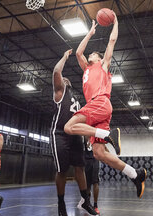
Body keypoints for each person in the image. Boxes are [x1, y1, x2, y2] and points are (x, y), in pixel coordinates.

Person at [64, 15, 146, 198]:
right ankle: (136, 174)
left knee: (68, 127)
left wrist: (115, 22)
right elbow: (78, 53)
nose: (91, 54)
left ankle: (108, 135)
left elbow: (112, 41)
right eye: (91, 54)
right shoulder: (86, 68)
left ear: (100, 59)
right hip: (99, 109)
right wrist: (90, 33)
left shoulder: (103, 65)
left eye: (94, 54)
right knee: (99, 153)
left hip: (100, 102)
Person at [51, 49, 98, 216]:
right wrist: (64, 57)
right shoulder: (60, 92)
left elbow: (83, 119)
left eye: (67, 79)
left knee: (80, 167)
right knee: (62, 170)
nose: (65, 79)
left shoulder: (76, 99)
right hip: (60, 134)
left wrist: (86, 137)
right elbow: (57, 71)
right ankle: (61, 203)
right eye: (63, 79)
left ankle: (85, 200)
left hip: (76, 135)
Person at [77, 136, 101, 214]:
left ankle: (95, 205)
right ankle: (87, 203)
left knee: (95, 182)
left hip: (95, 159)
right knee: (87, 185)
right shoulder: (83, 136)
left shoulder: (96, 134)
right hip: (86, 161)